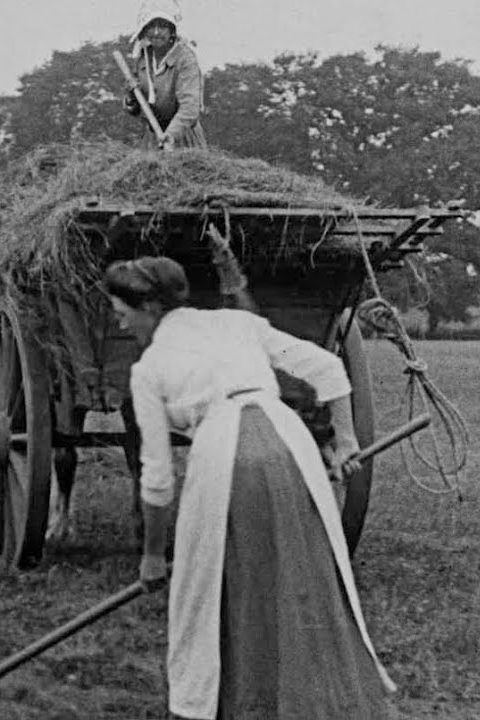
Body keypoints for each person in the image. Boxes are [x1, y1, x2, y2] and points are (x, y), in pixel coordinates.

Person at [104, 256, 395, 719]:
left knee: (226, 579)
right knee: (298, 571)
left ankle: (246, 703)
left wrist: (154, 556)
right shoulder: (237, 322)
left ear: (149, 307)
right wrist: (344, 437)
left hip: (224, 454)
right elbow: (327, 368)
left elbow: (157, 480)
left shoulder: (149, 368)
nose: (119, 321)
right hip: (290, 444)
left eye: (121, 311)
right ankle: (309, 697)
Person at [123, 0, 207, 149]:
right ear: (145, 30)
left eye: (162, 27)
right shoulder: (143, 58)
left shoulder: (185, 59)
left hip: (183, 140)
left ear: (172, 31)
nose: (156, 32)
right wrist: (131, 96)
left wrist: (171, 136)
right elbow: (136, 110)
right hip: (152, 140)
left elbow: (190, 109)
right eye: (151, 27)